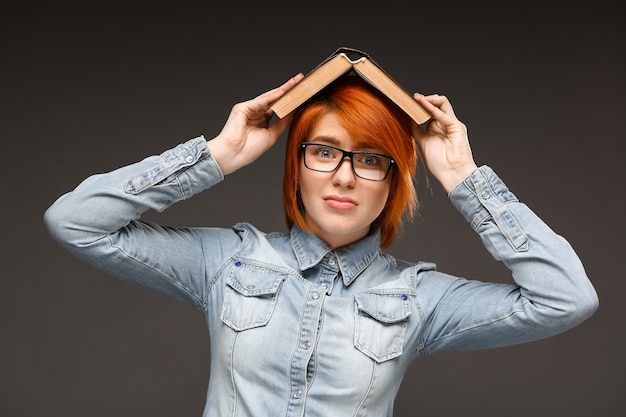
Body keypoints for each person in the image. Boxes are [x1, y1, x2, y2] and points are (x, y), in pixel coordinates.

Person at [44, 72, 598, 417]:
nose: (344, 176)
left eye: (371, 158)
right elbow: (76, 222)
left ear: (394, 182)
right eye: (325, 151)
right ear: (298, 166)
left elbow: (566, 299)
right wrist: (220, 154)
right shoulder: (225, 262)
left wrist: (462, 176)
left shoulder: (420, 298)